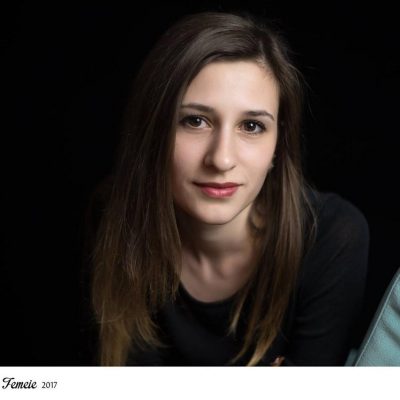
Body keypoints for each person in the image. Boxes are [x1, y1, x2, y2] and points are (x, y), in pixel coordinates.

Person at [87, 10, 369, 366]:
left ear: (278, 145)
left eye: (251, 126)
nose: (221, 159)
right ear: (153, 131)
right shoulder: (113, 216)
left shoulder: (331, 237)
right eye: (195, 121)